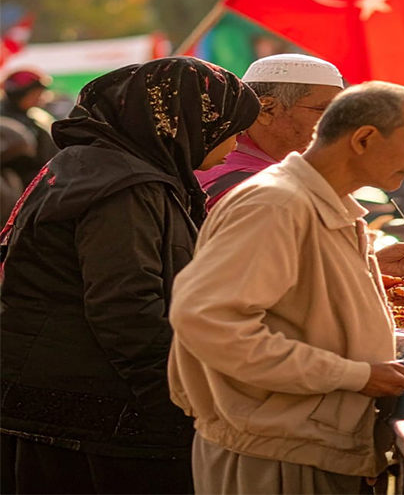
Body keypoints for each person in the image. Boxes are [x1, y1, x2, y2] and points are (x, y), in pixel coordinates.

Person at [167, 82, 404, 494]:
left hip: (313, 442)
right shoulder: (276, 204)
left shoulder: (326, 202)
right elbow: (208, 321)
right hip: (277, 449)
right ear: (364, 139)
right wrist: (354, 375)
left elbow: (315, 317)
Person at [0, 58, 261, 494]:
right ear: (184, 122)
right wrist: (178, 398)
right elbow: (125, 308)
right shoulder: (123, 184)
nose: (235, 142)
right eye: (228, 126)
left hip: (61, 398)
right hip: (91, 413)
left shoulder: (102, 164)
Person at [197, 53, 344, 209]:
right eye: (325, 110)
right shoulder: (255, 189)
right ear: (266, 109)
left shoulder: (207, 160)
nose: (338, 122)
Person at [0, 69, 58, 184]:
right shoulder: (5, 121)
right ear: (21, 94)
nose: (40, 98)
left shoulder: (37, 117)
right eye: (36, 93)